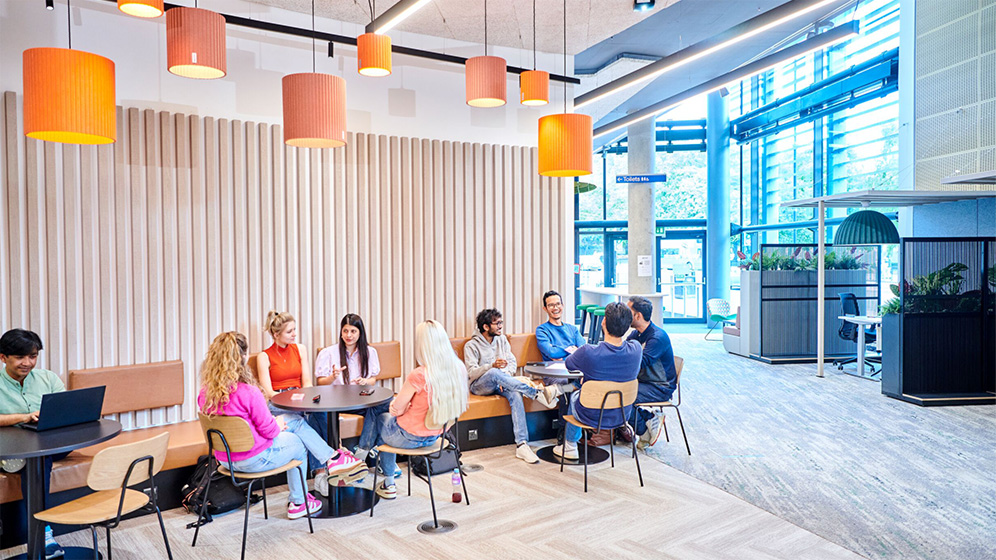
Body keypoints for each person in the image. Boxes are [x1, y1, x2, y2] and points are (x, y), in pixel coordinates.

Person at [197, 332, 366, 513]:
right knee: (297, 442)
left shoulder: (205, 394)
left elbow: (241, 425)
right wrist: (276, 425)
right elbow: (269, 432)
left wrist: (276, 422)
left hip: (226, 461)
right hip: (254, 459)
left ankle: (332, 458)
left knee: (294, 421)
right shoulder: (249, 393)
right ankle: (300, 501)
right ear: (242, 358)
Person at [370, 320, 469, 500]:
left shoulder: (419, 374)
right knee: (384, 424)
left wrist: (396, 406)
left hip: (407, 438)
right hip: (436, 437)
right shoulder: (459, 369)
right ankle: (372, 455)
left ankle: (383, 476)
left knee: (380, 418)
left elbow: (396, 410)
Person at [0, 329, 66, 558]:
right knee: (38, 458)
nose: (27, 363)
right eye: (20, 357)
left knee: (40, 455)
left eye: (33, 356)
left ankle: (42, 531)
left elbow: (64, 407)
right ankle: (44, 533)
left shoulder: (48, 378)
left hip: (50, 442)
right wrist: (24, 417)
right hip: (13, 447)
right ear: (3, 357)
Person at [464, 308, 558, 464]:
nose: (501, 326)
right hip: (479, 386)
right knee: (494, 373)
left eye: (501, 322)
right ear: (486, 327)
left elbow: (512, 362)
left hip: (502, 382)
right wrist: (491, 366)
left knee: (515, 393)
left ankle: (522, 445)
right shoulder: (471, 346)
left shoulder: (502, 340)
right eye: (497, 323)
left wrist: (504, 377)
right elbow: (471, 373)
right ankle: (536, 393)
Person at [552, 303, 642, 460]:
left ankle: (570, 445)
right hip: (621, 414)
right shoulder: (636, 349)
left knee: (576, 395)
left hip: (591, 415)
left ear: (603, 322)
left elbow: (569, 364)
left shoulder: (588, 352)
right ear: (628, 326)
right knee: (584, 390)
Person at [256, 311, 328, 467]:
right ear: (276, 334)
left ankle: (323, 469)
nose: (294, 334)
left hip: (299, 398)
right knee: (307, 419)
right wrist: (291, 399)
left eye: (294, 329)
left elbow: (307, 382)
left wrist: (307, 397)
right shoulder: (264, 357)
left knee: (321, 413)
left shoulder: (300, 349)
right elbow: (269, 392)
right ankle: (330, 461)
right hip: (278, 403)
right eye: (289, 332)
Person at [314, 314, 385, 463]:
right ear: (341, 332)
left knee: (382, 406)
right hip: (336, 403)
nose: (349, 335)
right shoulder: (329, 353)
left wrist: (365, 381)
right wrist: (332, 377)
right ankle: (362, 453)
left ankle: (362, 452)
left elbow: (373, 380)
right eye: (345, 331)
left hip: (360, 401)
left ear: (360, 333)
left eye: (353, 331)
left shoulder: (369, 352)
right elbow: (320, 383)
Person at [625, 296, 678, 450]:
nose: (625, 316)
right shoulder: (637, 334)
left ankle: (644, 428)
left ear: (638, 316)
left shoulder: (657, 337)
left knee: (621, 397)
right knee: (616, 393)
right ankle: (648, 419)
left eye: (628, 312)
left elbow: (641, 362)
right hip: (644, 382)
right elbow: (624, 351)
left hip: (660, 387)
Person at [534, 290, 586, 388]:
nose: (555, 308)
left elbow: (583, 349)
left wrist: (560, 352)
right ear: (545, 309)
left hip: (575, 370)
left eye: (558, 304)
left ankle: (573, 391)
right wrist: (572, 350)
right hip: (555, 373)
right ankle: (572, 390)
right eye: (551, 305)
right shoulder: (542, 330)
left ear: (562, 305)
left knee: (593, 378)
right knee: (566, 384)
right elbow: (552, 352)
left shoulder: (573, 329)